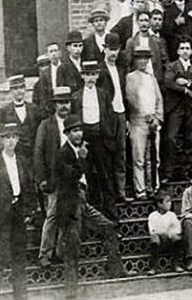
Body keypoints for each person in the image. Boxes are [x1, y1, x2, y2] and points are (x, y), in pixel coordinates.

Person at [56, 115, 126, 299]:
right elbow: (70, 178)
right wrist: (80, 159)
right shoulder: (62, 154)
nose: (78, 134)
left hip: (83, 202)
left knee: (109, 228)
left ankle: (115, 272)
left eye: (80, 130)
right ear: (67, 134)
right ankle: (71, 293)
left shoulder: (83, 150)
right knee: (73, 249)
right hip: (70, 206)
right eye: (74, 131)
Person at [0, 122, 35, 300]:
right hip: (1, 218)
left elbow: (28, 188)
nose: (11, 141)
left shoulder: (22, 161)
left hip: (18, 216)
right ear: (1, 140)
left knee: (19, 261)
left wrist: (28, 212)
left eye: (14, 137)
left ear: (18, 139)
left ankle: (20, 297)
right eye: (7, 137)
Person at [71, 60, 117, 217]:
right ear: (82, 76)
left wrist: (108, 136)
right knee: (87, 175)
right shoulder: (76, 97)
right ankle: (91, 212)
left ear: (97, 76)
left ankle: (111, 215)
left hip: (100, 138)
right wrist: (79, 142)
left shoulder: (103, 95)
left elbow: (110, 117)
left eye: (93, 74)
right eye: (87, 74)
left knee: (105, 175)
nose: (90, 78)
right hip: (84, 140)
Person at [34, 86, 73, 268]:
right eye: (60, 103)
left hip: (72, 179)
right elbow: (38, 152)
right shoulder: (46, 125)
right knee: (52, 216)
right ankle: (44, 254)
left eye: (66, 102)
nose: (64, 106)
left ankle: (61, 251)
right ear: (55, 105)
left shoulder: (75, 123)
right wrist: (41, 178)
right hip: (53, 179)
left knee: (68, 215)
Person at [125, 46, 164, 199]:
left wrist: (157, 118)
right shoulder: (130, 77)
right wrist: (145, 115)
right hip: (138, 121)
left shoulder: (151, 78)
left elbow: (159, 99)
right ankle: (140, 190)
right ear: (135, 60)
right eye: (140, 58)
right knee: (139, 158)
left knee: (152, 158)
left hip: (153, 122)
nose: (143, 61)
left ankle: (151, 187)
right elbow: (131, 98)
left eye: (145, 58)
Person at [96, 33, 130, 202]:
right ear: (104, 49)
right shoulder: (100, 71)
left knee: (121, 154)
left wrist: (127, 118)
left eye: (116, 49)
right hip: (107, 117)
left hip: (121, 114)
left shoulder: (121, 70)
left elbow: (125, 95)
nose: (113, 53)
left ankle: (121, 192)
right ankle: (109, 194)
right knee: (107, 154)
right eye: (110, 49)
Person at [162, 38, 192, 181]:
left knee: (190, 139)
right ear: (178, 51)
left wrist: (187, 82)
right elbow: (168, 82)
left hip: (190, 107)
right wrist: (185, 90)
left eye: (187, 48)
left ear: (191, 51)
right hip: (176, 107)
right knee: (171, 138)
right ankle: (168, 172)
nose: (185, 51)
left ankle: (187, 171)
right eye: (182, 48)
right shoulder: (172, 66)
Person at [0, 75, 40, 165]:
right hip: (15, 155)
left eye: (21, 87)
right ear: (11, 91)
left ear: (25, 89)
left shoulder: (34, 109)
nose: (19, 91)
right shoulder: (4, 111)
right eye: (15, 88)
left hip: (33, 155)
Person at [124, 11, 168, 84]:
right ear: (137, 22)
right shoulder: (131, 42)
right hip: (138, 81)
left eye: (146, 20)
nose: (144, 24)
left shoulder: (157, 41)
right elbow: (127, 64)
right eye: (141, 20)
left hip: (155, 80)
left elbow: (165, 62)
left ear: (150, 22)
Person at [147, 189, 184, 274]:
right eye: (167, 202)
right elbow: (152, 230)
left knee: (177, 237)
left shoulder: (172, 215)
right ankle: (154, 266)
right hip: (159, 241)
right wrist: (163, 233)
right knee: (154, 238)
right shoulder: (152, 216)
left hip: (170, 240)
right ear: (159, 204)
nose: (170, 204)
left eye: (170, 201)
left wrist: (169, 233)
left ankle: (176, 263)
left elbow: (177, 229)